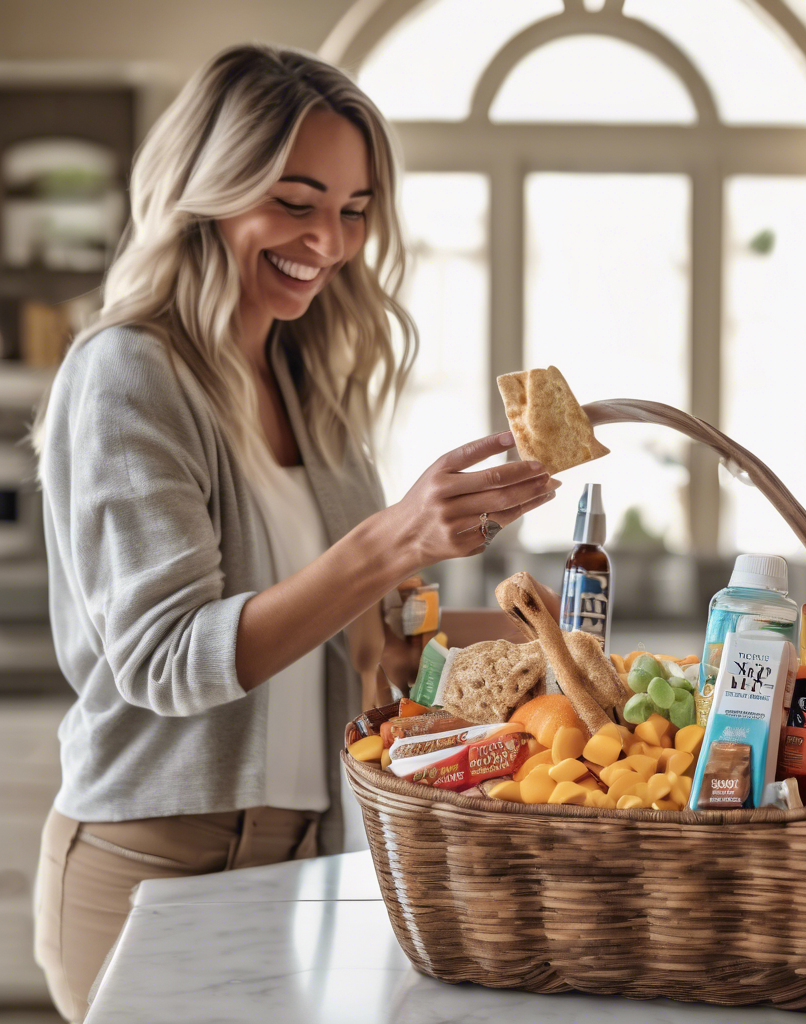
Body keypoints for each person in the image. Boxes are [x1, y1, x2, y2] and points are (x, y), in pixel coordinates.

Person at [30, 43, 559, 1023]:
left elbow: (382, 645)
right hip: (149, 860)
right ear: (211, 190)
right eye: (295, 200)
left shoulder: (308, 388)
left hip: (299, 858)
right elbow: (165, 658)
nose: (329, 239)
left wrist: (546, 631)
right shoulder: (129, 372)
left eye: (354, 211)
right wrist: (396, 536)